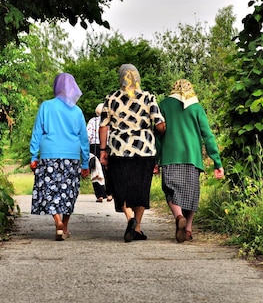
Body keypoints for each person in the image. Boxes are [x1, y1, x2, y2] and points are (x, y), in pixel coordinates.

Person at [98, 64, 166, 242]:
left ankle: (130, 219)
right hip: (144, 149)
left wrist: (103, 150)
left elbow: (103, 125)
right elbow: (159, 124)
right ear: (138, 77)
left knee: (121, 187)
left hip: (119, 149)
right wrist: (163, 129)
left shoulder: (111, 98)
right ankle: (137, 226)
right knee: (141, 188)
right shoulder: (148, 97)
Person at [156, 79, 224, 243]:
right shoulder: (197, 108)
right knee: (191, 194)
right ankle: (188, 229)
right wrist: (217, 162)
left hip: (170, 155)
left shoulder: (163, 105)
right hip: (192, 157)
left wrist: (156, 159)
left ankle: (179, 216)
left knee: (171, 190)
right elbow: (208, 136)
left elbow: (157, 134)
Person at [29, 73, 90, 241]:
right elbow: (84, 139)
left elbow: (37, 133)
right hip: (72, 157)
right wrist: (85, 163)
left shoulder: (46, 106)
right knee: (69, 192)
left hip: (49, 155)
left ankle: (57, 222)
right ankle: (65, 226)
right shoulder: (77, 111)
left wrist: (34, 156)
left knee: (50, 190)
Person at [87, 102, 112, 202]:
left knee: (96, 171)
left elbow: (87, 135)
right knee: (108, 170)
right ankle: (109, 194)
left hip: (94, 147)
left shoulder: (92, 121)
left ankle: (100, 195)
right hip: (107, 146)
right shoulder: (109, 121)